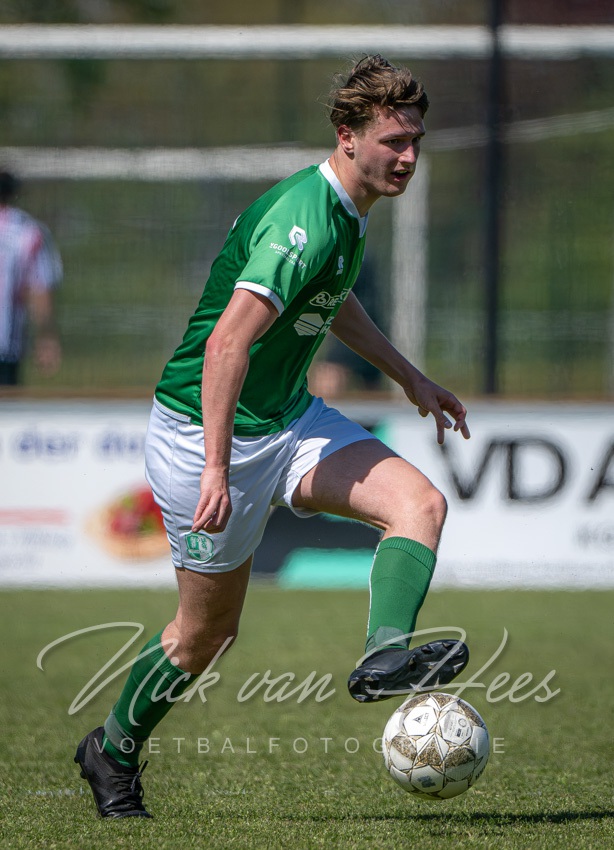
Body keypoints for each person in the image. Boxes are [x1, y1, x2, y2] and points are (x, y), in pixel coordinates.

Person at [74, 54, 471, 819]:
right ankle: (111, 749)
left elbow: (332, 298)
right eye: (393, 141)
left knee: (419, 504)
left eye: (415, 141)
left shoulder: (347, 212)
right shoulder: (305, 219)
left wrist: (409, 378)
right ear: (347, 135)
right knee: (204, 637)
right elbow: (227, 344)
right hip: (202, 434)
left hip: (288, 418)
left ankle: (384, 653)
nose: (408, 157)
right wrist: (217, 469)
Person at [0, 170, 62, 385]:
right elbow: (38, 288)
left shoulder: (28, 232)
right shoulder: (28, 232)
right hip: (6, 350)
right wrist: (46, 337)